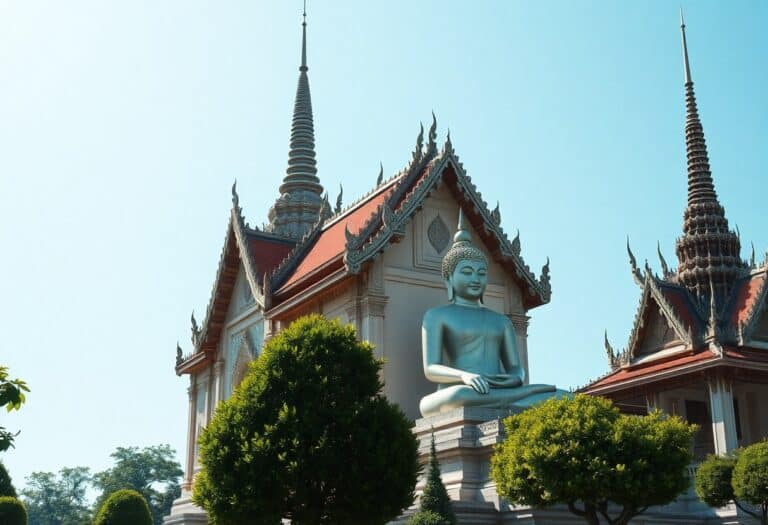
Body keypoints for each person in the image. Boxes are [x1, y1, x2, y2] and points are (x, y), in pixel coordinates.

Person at [419, 210, 563, 418]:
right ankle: (508, 404)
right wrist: (465, 376)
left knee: (563, 397)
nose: (476, 279)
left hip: (499, 388)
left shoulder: (501, 321)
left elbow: (516, 370)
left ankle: (506, 402)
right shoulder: (436, 316)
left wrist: (512, 380)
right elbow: (431, 368)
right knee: (456, 396)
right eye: (467, 273)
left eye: (481, 273)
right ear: (449, 279)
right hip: (462, 389)